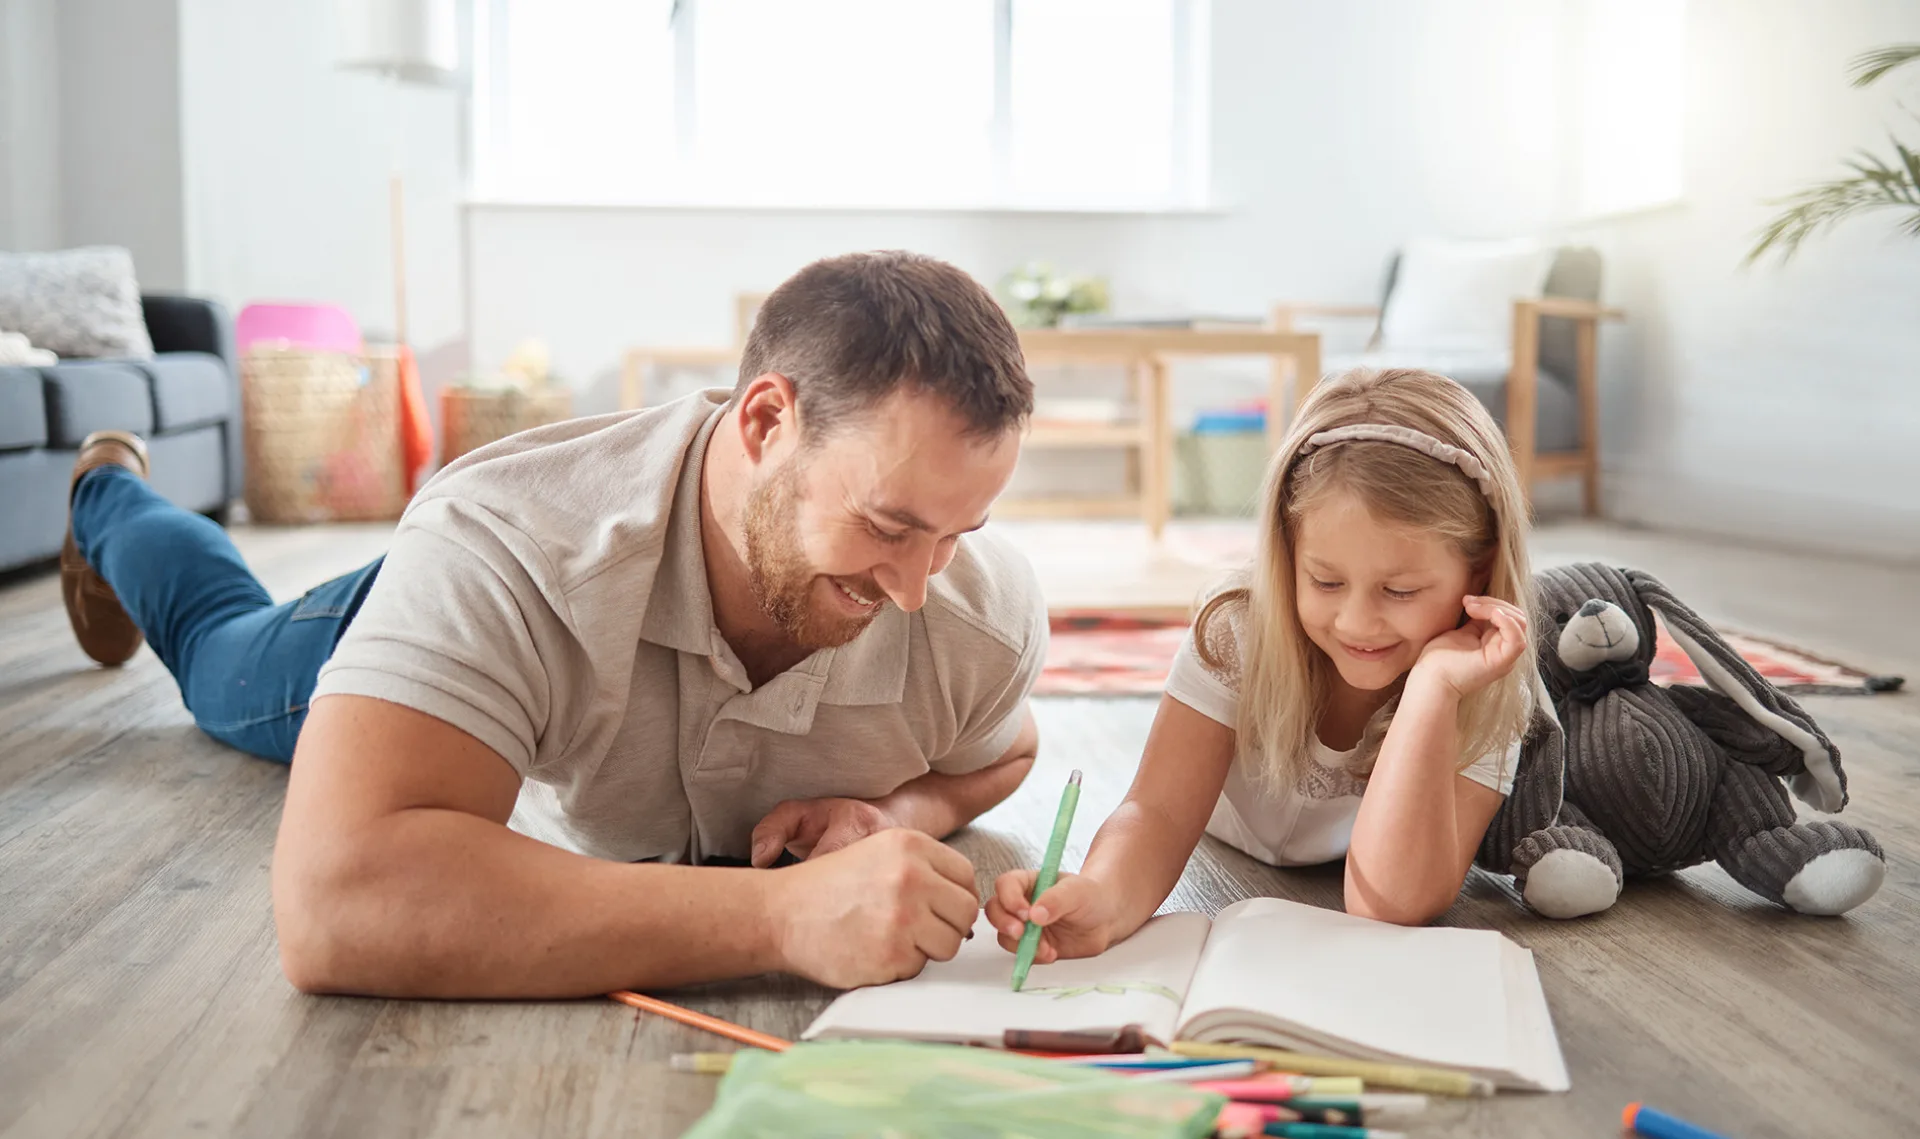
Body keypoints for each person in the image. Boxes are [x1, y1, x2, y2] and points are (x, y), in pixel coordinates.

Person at [58, 250, 1050, 997]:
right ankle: (110, 496)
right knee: (221, 654)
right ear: (763, 423)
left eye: (959, 531)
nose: (919, 585)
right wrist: (780, 915)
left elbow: (1005, 748)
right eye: (887, 525)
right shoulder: (505, 543)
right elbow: (335, 900)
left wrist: (904, 812)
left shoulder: (977, 617)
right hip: (447, 628)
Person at [986, 367, 1538, 963]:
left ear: (1477, 573)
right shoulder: (1237, 630)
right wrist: (1100, 896)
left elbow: (1390, 904)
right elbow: (1160, 811)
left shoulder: (1490, 690)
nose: (1355, 622)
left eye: (1399, 591)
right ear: (1287, 554)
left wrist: (1432, 690)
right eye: (1325, 580)